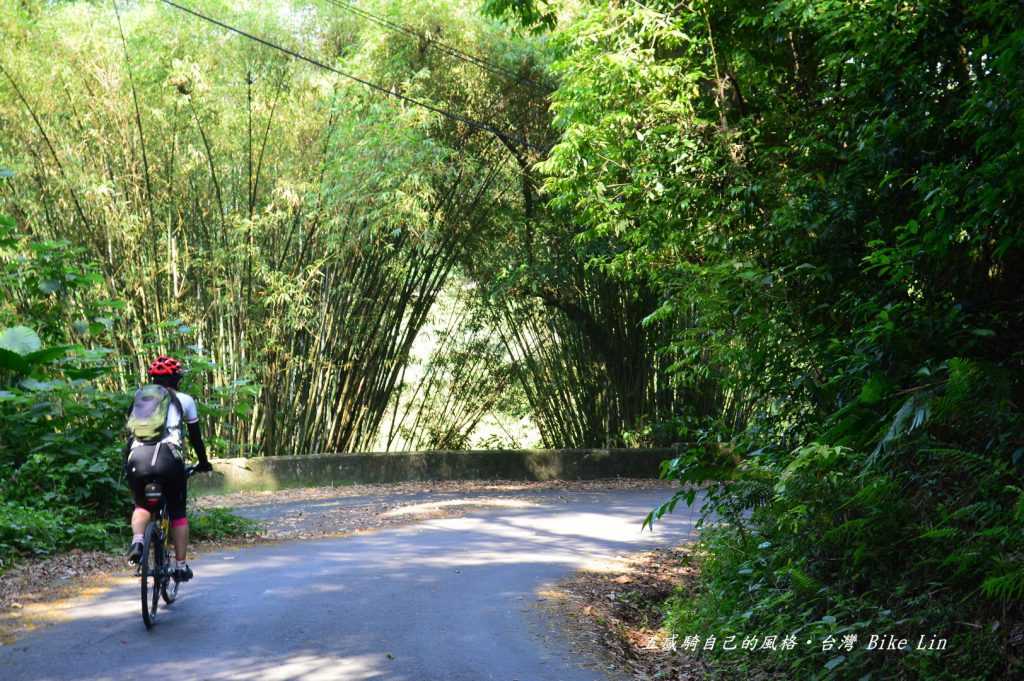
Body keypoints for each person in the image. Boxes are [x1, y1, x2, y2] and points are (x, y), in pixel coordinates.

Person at [125, 355, 212, 582]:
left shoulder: (139, 398)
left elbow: (130, 435)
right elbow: (196, 439)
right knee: (178, 514)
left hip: (137, 458)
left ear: (152, 378)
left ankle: (138, 540)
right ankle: (181, 566)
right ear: (177, 380)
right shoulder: (185, 400)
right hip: (168, 460)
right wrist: (203, 463)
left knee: (141, 507)